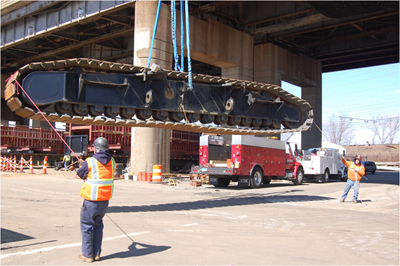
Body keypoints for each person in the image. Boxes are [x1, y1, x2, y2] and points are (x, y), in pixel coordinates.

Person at [74, 137, 115, 263]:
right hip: (104, 199)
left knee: (87, 226)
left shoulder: (90, 161)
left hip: (91, 199)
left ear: (95, 148)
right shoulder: (112, 161)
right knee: (98, 226)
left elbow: (79, 175)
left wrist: (83, 166)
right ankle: (96, 254)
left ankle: (88, 255)